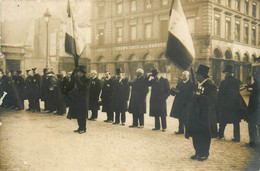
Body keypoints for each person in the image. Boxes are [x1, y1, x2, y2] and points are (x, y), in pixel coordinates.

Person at [186, 64, 217, 161]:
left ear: (203, 76)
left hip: (205, 115)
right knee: (196, 134)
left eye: (198, 75)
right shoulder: (197, 85)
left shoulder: (211, 86)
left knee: (204, 135)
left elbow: (211, 100)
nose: (196, 77)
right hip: (195, 114)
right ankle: (197, 152)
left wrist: (199, 96)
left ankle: (204, 153)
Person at [217, 65, 242, 142]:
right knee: (236, 122)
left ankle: (220, 135)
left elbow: (220, 94)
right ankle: (237, 138)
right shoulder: (236, 81)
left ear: (228, 73)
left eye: (226, 73)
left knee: (223, 120)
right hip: (234, 104)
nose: (226, 74)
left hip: (225, 104)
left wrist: (219, 102)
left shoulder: (223, 82)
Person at [67, 66, 90, 134]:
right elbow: (72, 77)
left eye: (78, 72)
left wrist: (77, 79)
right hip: (77, 99)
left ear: (82, 73)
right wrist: (74, 72)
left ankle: (83, 128)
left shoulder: (87, 80)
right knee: (78, 114)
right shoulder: (77, 78)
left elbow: (83, 87)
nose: (77, 73)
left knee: (82, 115)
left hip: (83, 99)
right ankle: (80, 127)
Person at [246, 71, 260, 148]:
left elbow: (254, 101)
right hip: (256, 109)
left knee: (252, 124)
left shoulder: (257, 85)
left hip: (255, 109)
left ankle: (253, 142)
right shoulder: (256, 84)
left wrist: (250, 110)